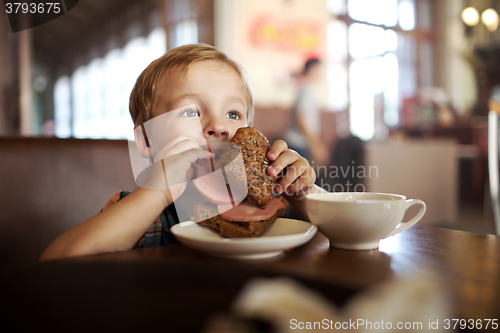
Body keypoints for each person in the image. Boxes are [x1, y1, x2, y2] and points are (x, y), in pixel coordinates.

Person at [40, 44, 327, 260]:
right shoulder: (141, 212)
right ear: (146, 142)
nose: (218, 126)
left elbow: (348, 240)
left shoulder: (274, 202)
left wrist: (304, 196)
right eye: (190, 111)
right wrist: (158, 192)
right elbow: (58, 263)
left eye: (233, 113)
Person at [285, 58, 329, 166]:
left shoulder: (306, 89)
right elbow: (301, 118)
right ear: (312, 69)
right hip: (298, 145)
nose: (321, 73)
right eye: (319, 69)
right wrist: (316, 145)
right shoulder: (306, 90)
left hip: (301, 145)